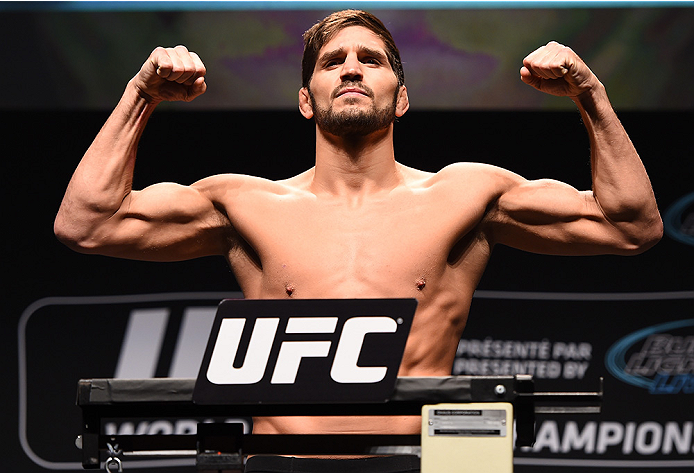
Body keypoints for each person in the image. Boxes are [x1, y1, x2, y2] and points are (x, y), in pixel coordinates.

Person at [55, 9, 662, 473]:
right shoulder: (244, 204)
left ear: (401, 98)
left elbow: (631, 225)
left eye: (371, 59)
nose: (350, 68)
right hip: (282, 464)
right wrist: (142, 95)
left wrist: (590, 93)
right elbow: (85, 223)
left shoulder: (465, 196)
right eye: (332, 61)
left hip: (430, 461)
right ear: (304, 100)